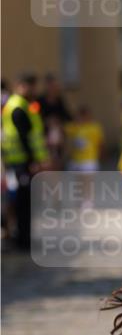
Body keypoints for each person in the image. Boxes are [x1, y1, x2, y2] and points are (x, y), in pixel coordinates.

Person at [1, 72, 49, 250]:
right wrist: (33, 161)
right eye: (31, 86)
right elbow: (24, 137)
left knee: (23, 200)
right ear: (21, 85)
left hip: (20, 161)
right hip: (22, 162)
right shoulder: (18, 107)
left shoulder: (20, 105)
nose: (33, 90)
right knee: (23, 201)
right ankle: (23, 239)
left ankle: (23, 237)